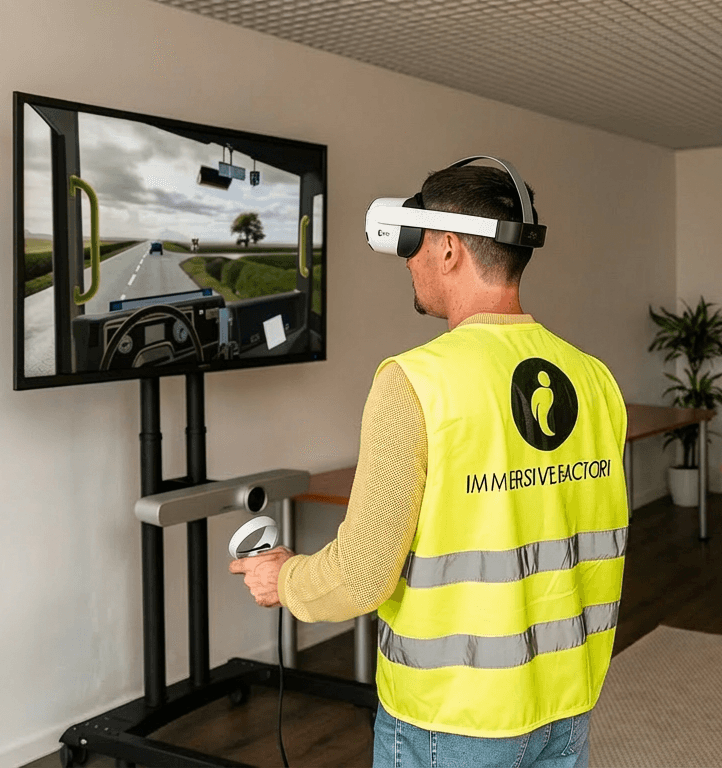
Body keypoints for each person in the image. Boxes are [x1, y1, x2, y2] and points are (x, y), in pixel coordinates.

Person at [230, 160, 630, 768]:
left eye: (412, 247)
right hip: (567, 702)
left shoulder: (415, 382)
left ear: (446, 249)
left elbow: (365, 574)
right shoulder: (594, 379)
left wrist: (283, 578)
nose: (408, 263)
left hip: (451, 716)